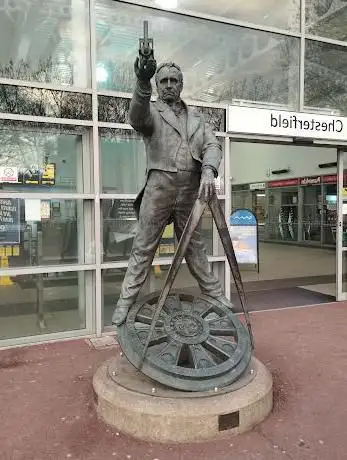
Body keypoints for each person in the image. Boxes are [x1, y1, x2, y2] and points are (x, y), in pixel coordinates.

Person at [112, 55, 231, 326]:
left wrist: (209, 170)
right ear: (157, 85)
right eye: (163, 81)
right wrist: (142, 81)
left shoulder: (197, 118)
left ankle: (214, 293)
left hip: (190, 191)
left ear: (181, 85)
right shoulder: (152, 112)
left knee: (195, 247)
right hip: (159, 188)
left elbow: (213, 146)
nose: (168, 85)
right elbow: (136, 115)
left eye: (173, 81)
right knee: (143, 248)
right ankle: (125, 302)